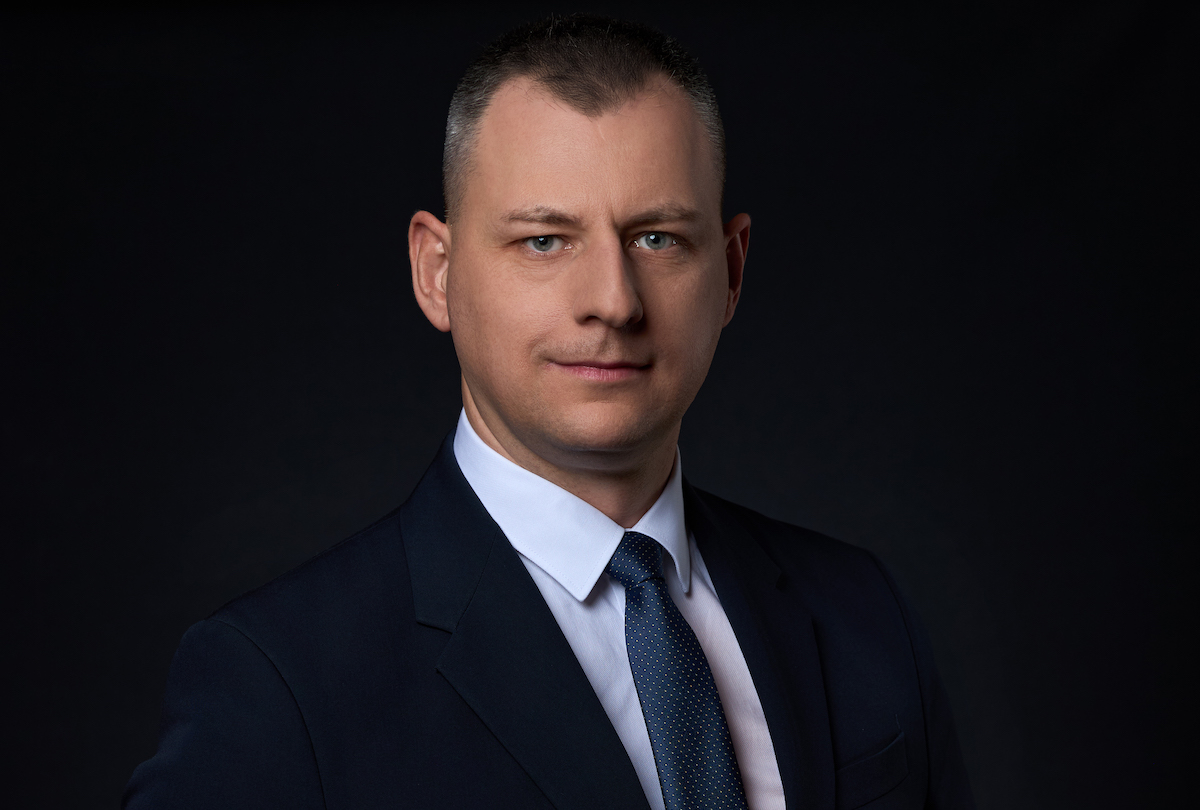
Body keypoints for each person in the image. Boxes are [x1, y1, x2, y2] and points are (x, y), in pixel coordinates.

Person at [124, 14, 973, 810]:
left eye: (657, 238)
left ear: (732, 271)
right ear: (436, 272)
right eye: (544, 240)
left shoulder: (861, 613)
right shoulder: (278, 684)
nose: (613, 301)